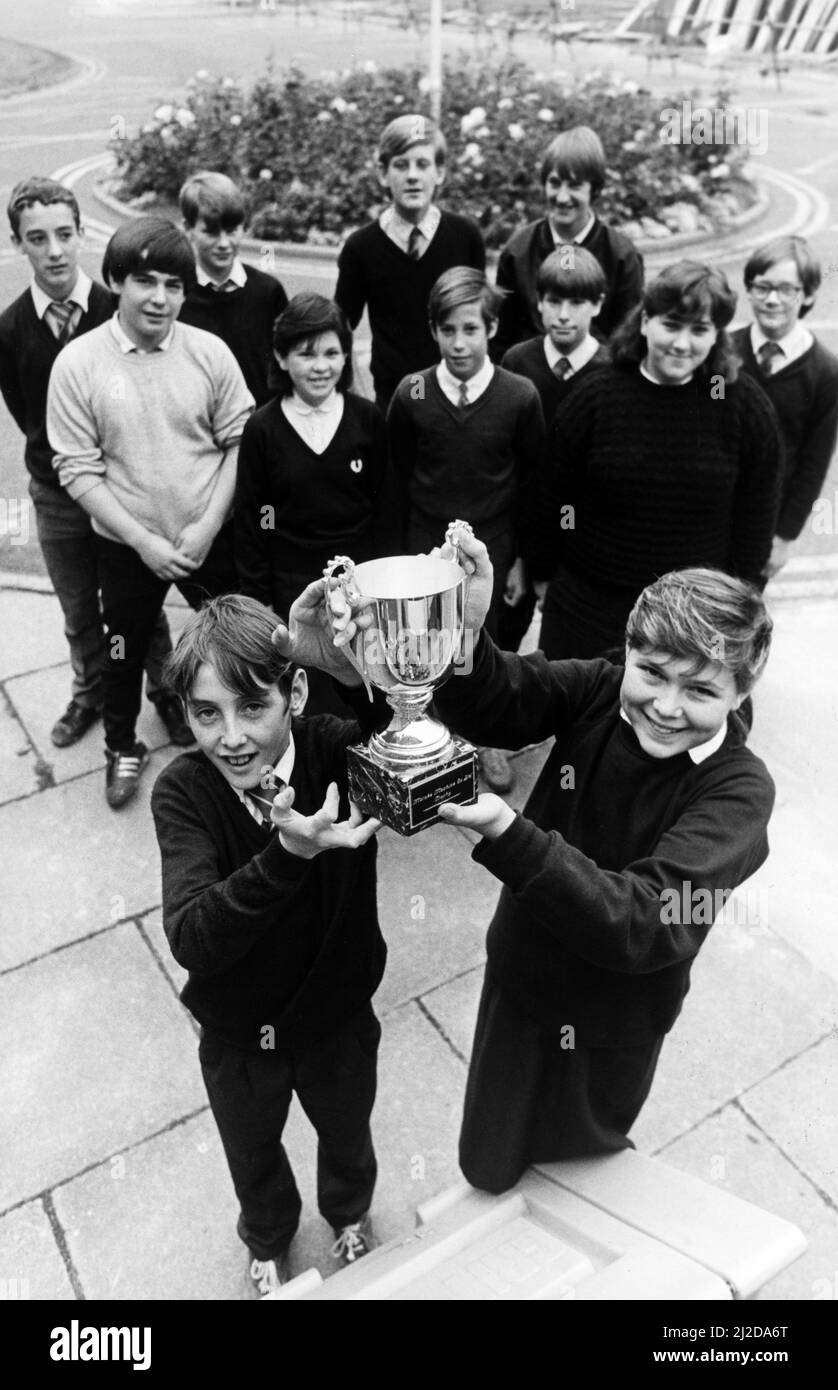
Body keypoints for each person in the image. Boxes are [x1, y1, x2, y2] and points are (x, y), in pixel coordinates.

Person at [326, 530, 775, 1193]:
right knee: (491, 1153)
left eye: (700, 690)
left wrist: (509, 831)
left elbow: (648, 919)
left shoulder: (739, 793)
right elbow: (501, 701)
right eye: (650, 673)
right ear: (628, 652)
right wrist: (466, 636)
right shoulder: (601, 688)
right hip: (523, 976)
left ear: (741, 692)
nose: (666, 706)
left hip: (613, 1024)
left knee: (581, 1175)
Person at [150, 593, 385, 1296]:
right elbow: (192, 934)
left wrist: (350, 659)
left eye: (253, 706)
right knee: (251, 1153)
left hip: (338, 1016)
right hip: (239, 1032)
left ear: (297, 693)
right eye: (205, 714)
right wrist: (286, 854)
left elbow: (407, 734)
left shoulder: (335, 749)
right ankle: (269, 1235)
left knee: (348, 1133)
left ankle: (348, 1211)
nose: (230, 737)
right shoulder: (184, 793)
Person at [47, 216, 254, 808]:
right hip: (126, 543)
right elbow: (77, 471)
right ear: (115, 281)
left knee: (237, 646)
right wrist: (144, 542)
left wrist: (208, 524)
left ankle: (242, 744)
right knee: (121, 648)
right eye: (145, 281)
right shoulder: (79, 364)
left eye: (173, 284)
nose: (160, 298)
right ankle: (120, 744)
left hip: (208, 533)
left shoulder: (209, 352)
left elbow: (240, 440)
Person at [0, 178, 186, 749]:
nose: (53, 250)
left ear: (81, 233)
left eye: (63, 234)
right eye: (37, 238)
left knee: (141, 610)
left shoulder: (117, 306)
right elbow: (26, 412)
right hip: (58, 496)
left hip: (123, 491)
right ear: (17, 244)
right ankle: (90, 694)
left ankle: (165, 694)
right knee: (80, 608)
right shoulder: (9, 329)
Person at [527, 261, 783, 661]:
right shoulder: (595, 398)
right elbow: (557, 501)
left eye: (699, 330)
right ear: (644, 321)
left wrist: (738, 609)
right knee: (585, 721)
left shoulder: (741, 406)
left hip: (695, 621)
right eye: (671, 325)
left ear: (716, 335)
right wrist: (545, 574)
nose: (682, 344)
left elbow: (754, 521)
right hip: (589, 612)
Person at [386, 266, 545, 792]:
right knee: (425, 647)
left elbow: (532, 486)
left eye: (471, 329)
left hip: (493, 550)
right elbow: (396, 478)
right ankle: (428, 736)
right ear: (433, 330)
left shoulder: (520, 396)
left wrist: (524, 560)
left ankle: (490, 739)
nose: (459, 343)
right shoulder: (410, 393)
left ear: (492, 329)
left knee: (488, 650)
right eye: (447, 330)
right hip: (424, 553)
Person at [234, 293, 390, 714]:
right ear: (282, 359)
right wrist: (259, 601)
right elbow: (251, 520)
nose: (320, 366)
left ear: (345, 357)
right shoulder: (262, 428)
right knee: (305, 701)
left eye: (331, 353)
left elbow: (386, 509)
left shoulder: (368, 419)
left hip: (360, 588)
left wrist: (382, 586)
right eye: (305, 354)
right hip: (292, 587)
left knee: (366, 694)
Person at [334, 114, 485, 411]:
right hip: (392, 400)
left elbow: (479, 321)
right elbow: (339, 330)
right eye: (401, 165)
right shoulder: (361, 248)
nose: (413, 176)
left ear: (440, 172)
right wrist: (355, 397)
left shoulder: (465, 237)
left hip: (458, 398)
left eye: (423, 164)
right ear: (382, 173)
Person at [731, 235, 838, 582]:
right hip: (711, 512)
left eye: (787, 290)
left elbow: (813, 463)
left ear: (807, 295)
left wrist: (784, 537)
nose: (772, 300)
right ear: (748, 290)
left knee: (737, 620)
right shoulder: (725, 353)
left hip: (765, 525)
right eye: (762, 287)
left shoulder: (825, 372)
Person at [493, 125, 643, 360]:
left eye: (574, 185)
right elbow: (502, 337)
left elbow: (627, 340)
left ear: (594, 189)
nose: (562, 197)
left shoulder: (621, 255)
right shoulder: (518, 251)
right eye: (554, 183)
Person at [178, 170, 288, 407]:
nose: (224, 243)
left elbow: (287, 363)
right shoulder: (178, 294)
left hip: (261, 425)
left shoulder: (268, 292)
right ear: (188, 229)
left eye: (232, 231)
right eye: (211, 232)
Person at [501, 244, 610, 430]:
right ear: (540, 301)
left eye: (576, 303)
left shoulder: (612, 369)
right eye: (554, 302)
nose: (563, 315)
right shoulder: (517, 362)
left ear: (597, 304)